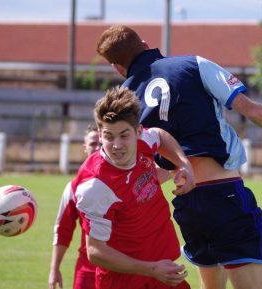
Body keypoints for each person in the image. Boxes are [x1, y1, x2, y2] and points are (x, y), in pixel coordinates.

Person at [96, 25, 262, 289]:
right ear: (144, 43)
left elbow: (144, 159)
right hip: (224, 195)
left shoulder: (126, 97)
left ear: (117, 67)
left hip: (186, 204)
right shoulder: (193, 64)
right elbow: (251, 109)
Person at [73, 86, 195, 289]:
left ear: (138, 131)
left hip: (162, 270)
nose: (116, 145)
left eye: (124, 135)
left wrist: (183, 164)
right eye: (108, 136)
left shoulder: (143, 142)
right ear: (100, 134)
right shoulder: (94, 186)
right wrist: (151, 269)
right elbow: (95, 251)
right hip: (124, 281)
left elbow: (159, 135)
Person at [49, 124, 100, 289]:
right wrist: (54, 269)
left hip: (126, 269)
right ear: (85, 148)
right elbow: (63, 229)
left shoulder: (127, 180)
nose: (98, 147)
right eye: (93, 144)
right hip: (88, 272)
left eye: (101, 142)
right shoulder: (74, 187)